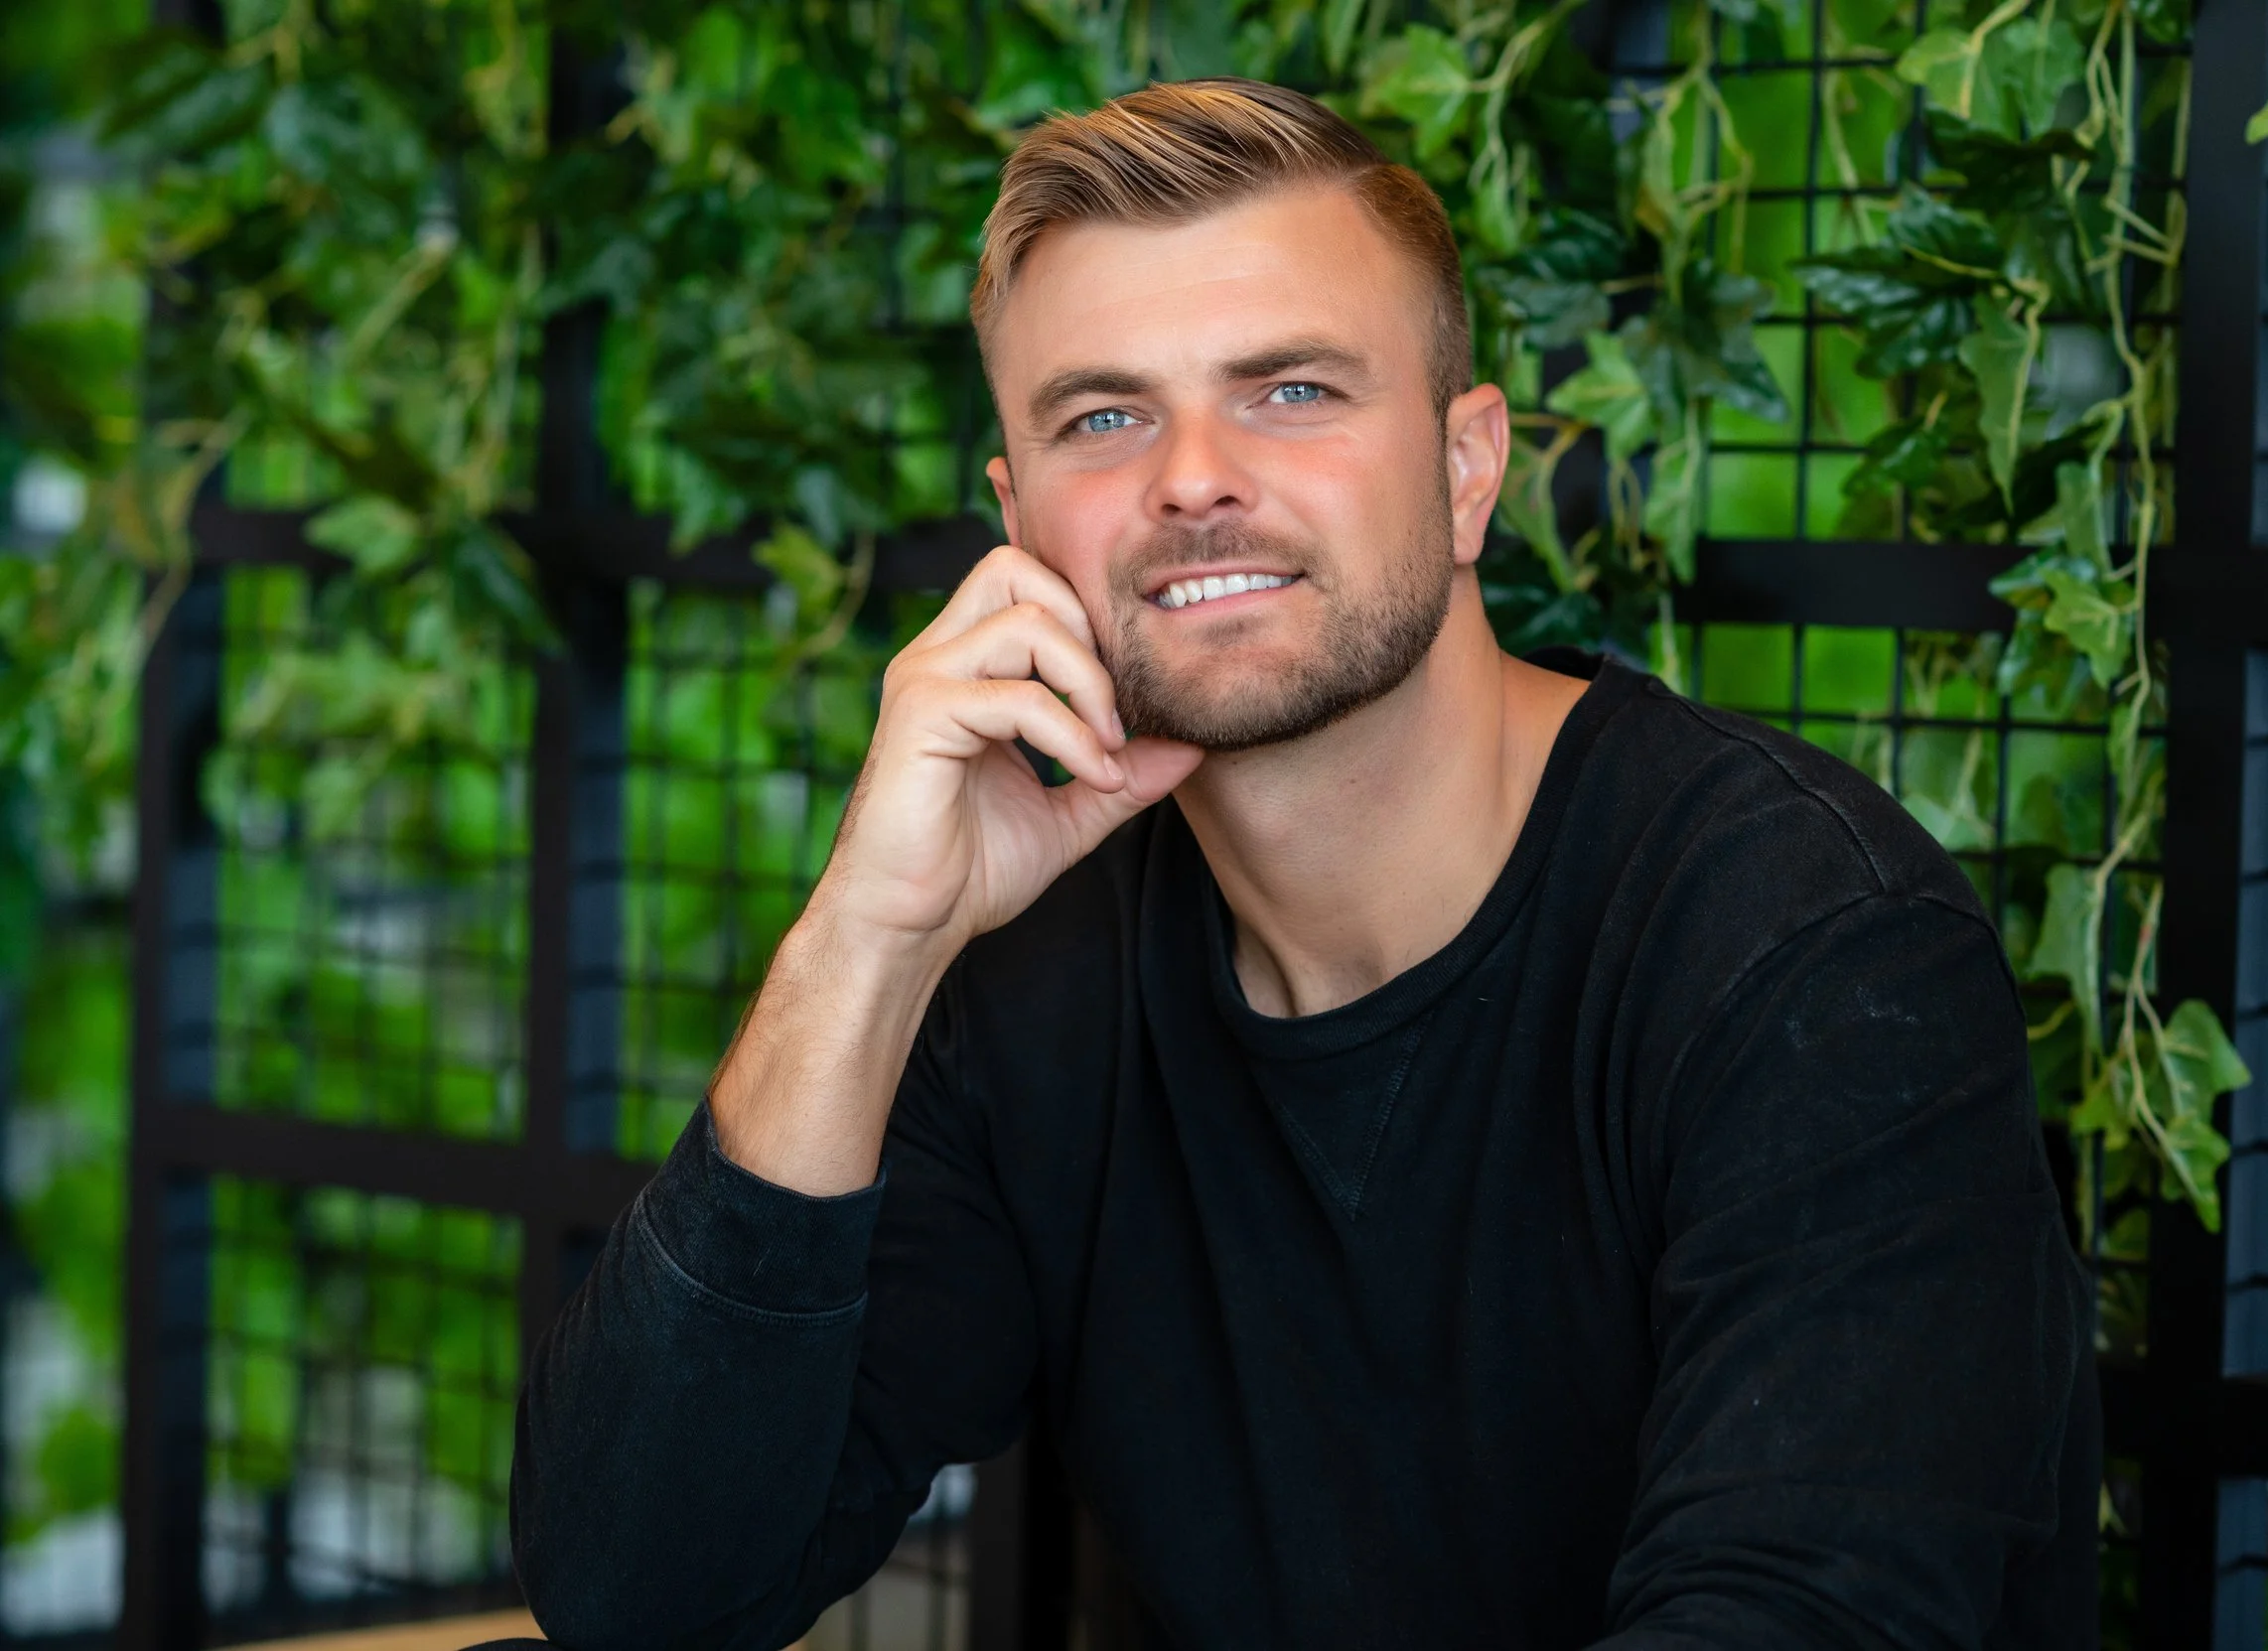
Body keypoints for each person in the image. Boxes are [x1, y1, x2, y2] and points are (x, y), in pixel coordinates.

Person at [511, 77, 2097, 1651]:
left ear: (1468, 471)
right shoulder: (1036, 975)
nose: (1191, 476)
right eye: (1104, 416)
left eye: (1292, 390)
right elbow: (638, 1595)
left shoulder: (1805, 945)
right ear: (1017, 520)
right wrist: (865, 937)